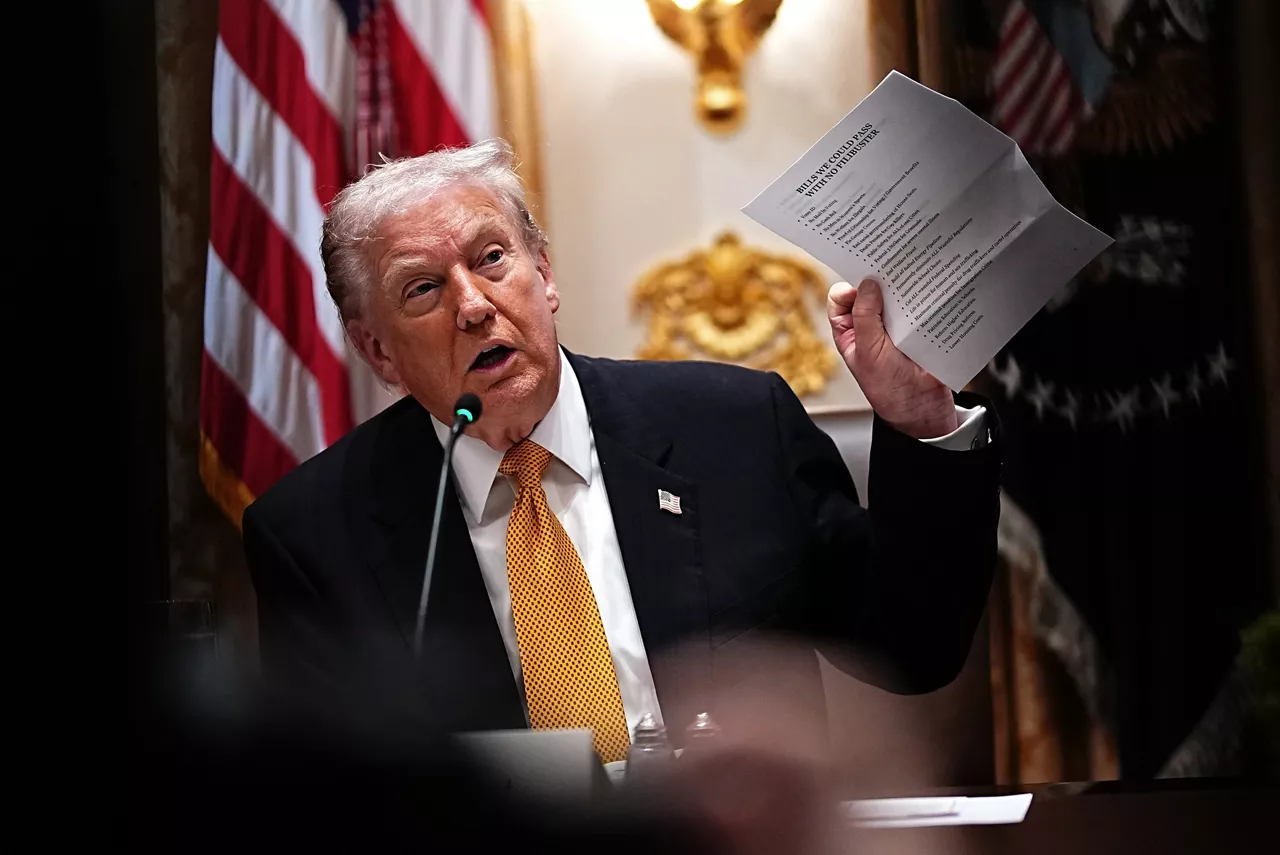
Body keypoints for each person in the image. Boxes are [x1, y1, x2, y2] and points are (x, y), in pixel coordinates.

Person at [243, 139, 1001, 763]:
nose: (473, 306)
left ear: (544, 274)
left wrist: (920, 421)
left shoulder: (735, 429)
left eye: (492, 258)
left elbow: (915, 647)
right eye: (422, 290)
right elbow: (328, 795)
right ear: (377, 350)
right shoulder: (316, 533)